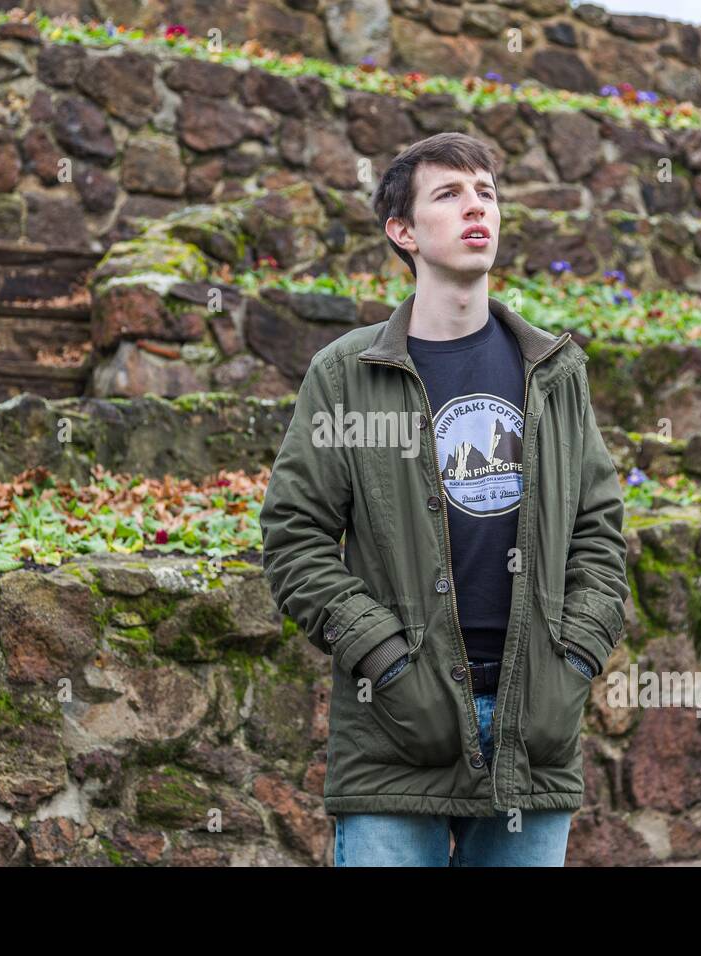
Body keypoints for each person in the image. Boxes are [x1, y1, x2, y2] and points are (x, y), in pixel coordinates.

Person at [260, 131, 629, 866]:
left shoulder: (553, 370)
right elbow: (294, 537)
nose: (476, 208)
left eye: (486, 192)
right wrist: (386, 661)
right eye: (449, 194)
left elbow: (599, 528)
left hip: (535, 724)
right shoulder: (347, 374)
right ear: (403, 231)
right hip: (396, 733)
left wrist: (577, 656)